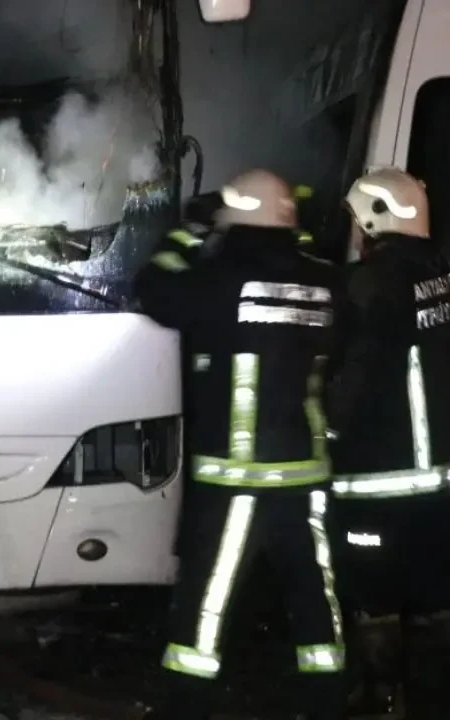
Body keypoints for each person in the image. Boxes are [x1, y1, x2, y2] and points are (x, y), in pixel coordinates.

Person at [136, 169, 346, 720]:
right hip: (305, 473)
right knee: (313, 595)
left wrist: (188, 230)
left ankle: (188, 701)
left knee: (208, 599)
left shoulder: (219, 279)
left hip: (237, 477)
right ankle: (327, 696)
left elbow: (154, 289)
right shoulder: (325, 280)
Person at [326, 167, 450, 720]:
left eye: (358, 221)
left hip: (375, 475)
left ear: (375, 219)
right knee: (444, 590)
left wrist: (329, 429)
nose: (355, 234)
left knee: (374, 594)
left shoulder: (368, 284)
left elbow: (355, 375)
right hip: (434, 478)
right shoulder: (434, 276)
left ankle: (388, 699)